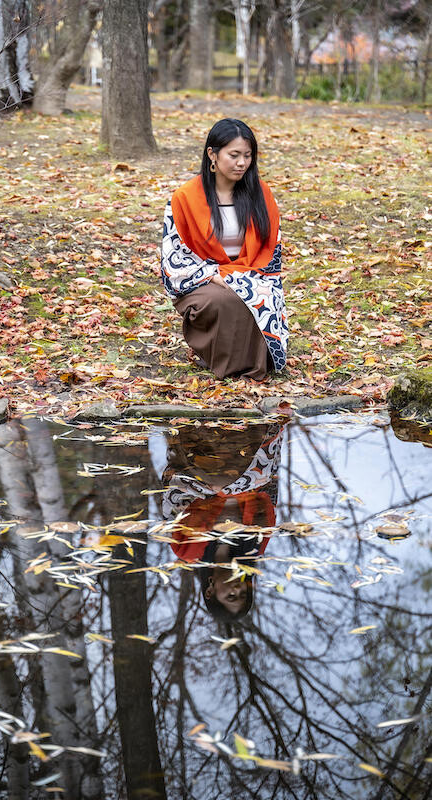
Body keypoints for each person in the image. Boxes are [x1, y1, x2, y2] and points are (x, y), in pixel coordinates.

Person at [161, 118, 288, 381]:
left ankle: (256, 364)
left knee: (254, 293)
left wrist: (243, 275)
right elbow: (174, 257)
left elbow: (271, 246)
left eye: (247, 156)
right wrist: (212, 274)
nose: (241, 163)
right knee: (225, 298)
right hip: (199, 276)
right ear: (212, 154)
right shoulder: (185, 198)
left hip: (250, 270)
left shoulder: (260, 194)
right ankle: (229, 365)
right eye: (234, 155)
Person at [162, 423, 285, 620]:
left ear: (210, 591)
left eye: (231, 596)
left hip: (197, 465)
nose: (237, 588)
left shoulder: (187, 550)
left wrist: (222, 491)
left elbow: (174, 493)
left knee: (219, 480)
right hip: (248, 462)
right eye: (243, 593)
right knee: (235, 478)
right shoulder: (256, 546)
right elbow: (266, 498)